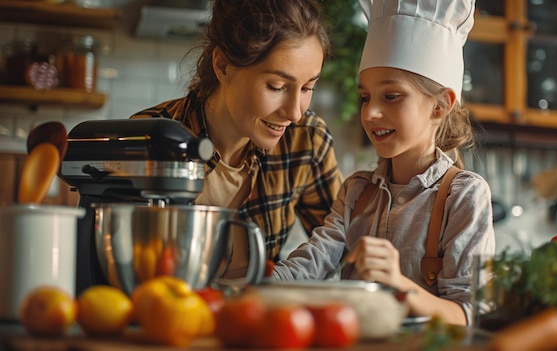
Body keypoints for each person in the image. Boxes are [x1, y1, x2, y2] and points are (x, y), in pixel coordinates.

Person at [273, 0, 495, 326]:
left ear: (440, 105)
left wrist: (399, 284)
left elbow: (468, 315)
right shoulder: (356, 192)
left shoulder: (464, 197)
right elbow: (309, 265)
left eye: (390, 96)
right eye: (365, 97)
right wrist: (248, 285)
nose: (370, 112)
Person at [130, 0, 343, 269]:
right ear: (223, 66)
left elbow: (343, 250)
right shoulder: (148, 141)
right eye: (277, 87)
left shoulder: (306, 141)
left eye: (307, 88)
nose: (295, 113)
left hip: (253, 310)